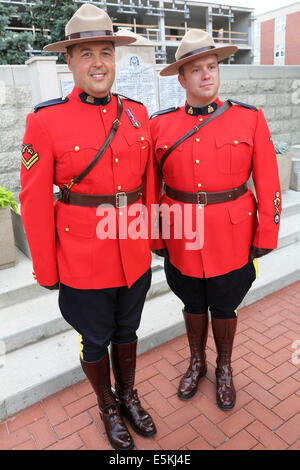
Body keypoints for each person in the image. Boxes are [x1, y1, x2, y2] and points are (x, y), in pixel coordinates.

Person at [20, 4, 157, 450]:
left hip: (132, 251)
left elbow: (148, 185)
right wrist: (46, 267)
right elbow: (35, 202)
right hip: (82, 257)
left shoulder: (137, 114)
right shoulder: (45, 121)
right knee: (95, 339)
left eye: (106, 51)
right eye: (86, 54)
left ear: (115, 58)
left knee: (128, 330)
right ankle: (108, 408)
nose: (98, 63)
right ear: (70, 61)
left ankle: (128, 395)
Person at [150, 29, 281, 410]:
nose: (206, 75)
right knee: (191, 302)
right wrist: (156, 238)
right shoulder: (161, 126)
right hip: (182, 235)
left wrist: (267, 231)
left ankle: (224, 367)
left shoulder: (249, 118)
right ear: (182, 78)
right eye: (196, 70)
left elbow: (269, 180)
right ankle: (197, 362)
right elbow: (150, 186)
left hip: (233, 236)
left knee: (225, 305)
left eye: (212, 67)